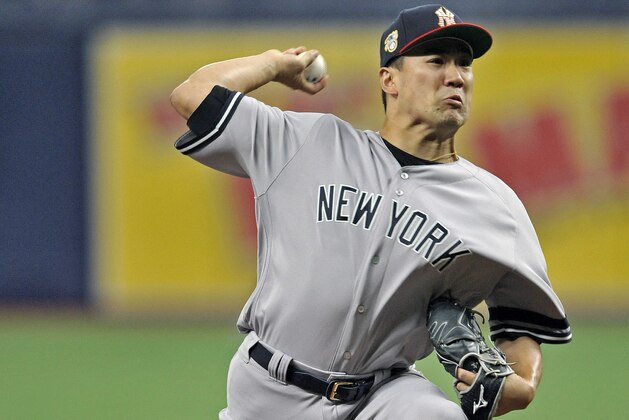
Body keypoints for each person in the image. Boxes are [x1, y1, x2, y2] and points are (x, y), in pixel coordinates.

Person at [170, 4, 571, 419]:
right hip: (269, 389)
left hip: (384, 396)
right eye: (436, 61)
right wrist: (272, 64)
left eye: (464, 64)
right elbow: (191, 96)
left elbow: (523, 323)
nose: (455, 76)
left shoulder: (496, 206)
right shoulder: (308, 142)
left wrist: (521, 384)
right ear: (389, 79)